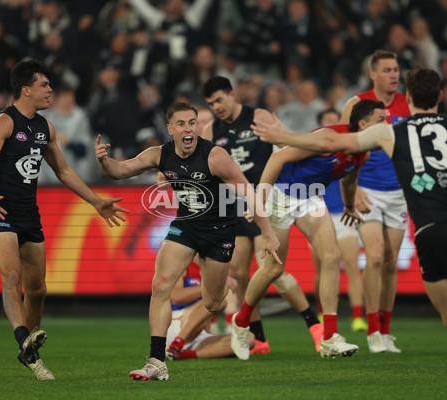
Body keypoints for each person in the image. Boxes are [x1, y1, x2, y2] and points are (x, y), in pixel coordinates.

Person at [252, 67, 447, 396]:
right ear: (441, 97)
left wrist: (282, 137)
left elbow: (331, 139)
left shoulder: (391, 132)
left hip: (435, 227)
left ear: (408, 98)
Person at [95, 102, 280, 381]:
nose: (188, 129)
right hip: (187, 226)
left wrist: (267, 233)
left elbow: (248, 192)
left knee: (214, 302)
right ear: (170, 129)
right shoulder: (160, 154)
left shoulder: (215, 156)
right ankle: (157, 360)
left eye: (192, 123)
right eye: (181, 124)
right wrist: (103, 161)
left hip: (220, 232)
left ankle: (237, 323)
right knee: (160, 284)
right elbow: (120, 171)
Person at [0, 59, 128, 380]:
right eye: (44, 85)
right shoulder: (3, 122)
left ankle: (29, 348)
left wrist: (96, 201)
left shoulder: (46, 128)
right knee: (12, 277)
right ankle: (24, 341)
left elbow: (64, 171)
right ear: (26, 89)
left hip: (28, 212)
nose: (50, 90)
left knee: (39, 290)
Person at [230, 100, 387, 361]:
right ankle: (241, 321)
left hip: (311, 197)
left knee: (331, 256)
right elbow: (279, 156)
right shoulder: (329, 138)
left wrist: (349, 205)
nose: (387, 125)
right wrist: (260, 199)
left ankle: (329, 338)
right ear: (363, 125)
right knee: (273, 269)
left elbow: (350, 177)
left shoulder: (364, 151)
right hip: (281, 193)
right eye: (381, 120)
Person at [201, 76, 323, 354]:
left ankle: (315, 325)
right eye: (211, 103)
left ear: (232, 95)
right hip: (230, 206)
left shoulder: (257, 116)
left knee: (271, 270)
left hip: (262, 201)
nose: (217, 107)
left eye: (220, 99)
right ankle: (259, 340)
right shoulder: (210, 131)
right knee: (239, 274)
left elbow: (281, 146)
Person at [339, 50, 411, 353]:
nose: (394, 75)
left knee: (391, 262)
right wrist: (352, 189)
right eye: (387, 70)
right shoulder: (357, 104)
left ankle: (385, 329)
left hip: (398, 194)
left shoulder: (410, 104)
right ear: (373, 75)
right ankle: (371, 332)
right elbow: (341, 146)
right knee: (377, 257)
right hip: (367, 190)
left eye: (396, 70)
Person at [312, 109, 367, 332]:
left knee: (352, 267)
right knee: (321, 268)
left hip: (343, 214)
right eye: (327, 122)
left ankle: (357, 317)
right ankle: (321, 313)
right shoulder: (314, 150)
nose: (333, 126)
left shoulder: (350, 149)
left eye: (335, 122)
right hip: (318, 214)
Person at [166, 261, 255, 360]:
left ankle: (181, 354)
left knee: (247, 339)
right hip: (177, 323)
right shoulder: (183, 264)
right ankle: (177, 342)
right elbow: (176, 297)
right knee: (220, 302)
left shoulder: (211, 270)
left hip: (198, 335)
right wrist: (210, 288)